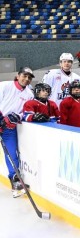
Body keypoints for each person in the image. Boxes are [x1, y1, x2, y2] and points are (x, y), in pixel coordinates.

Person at [0, 67, 34, 197]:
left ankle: (15, 181)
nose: (26, 79)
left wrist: (17, 117)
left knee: (12, 153)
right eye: (24, 76)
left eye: (29, 77)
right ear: (18, 75)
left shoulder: (29, 94)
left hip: (9, 128)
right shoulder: (4, 86)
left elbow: (25, 112)